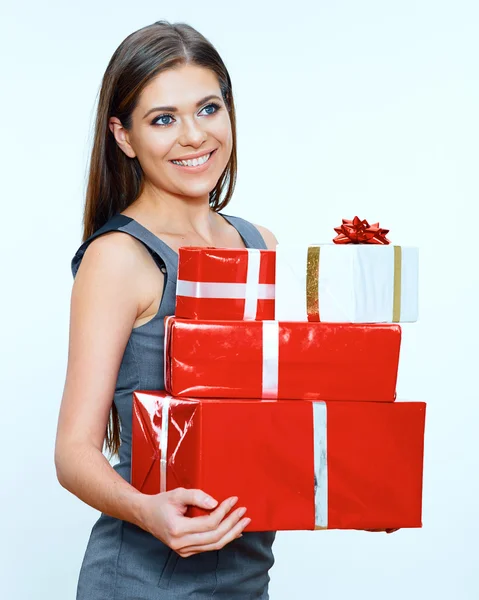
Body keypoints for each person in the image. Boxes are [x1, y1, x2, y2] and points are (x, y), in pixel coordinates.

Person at [54, 20, 278, 600]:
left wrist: (360, 486)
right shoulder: (119, 258)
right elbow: (74, 453)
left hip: (248, 579)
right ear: (124, 136)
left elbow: (280, 420)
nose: (192, 136)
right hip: (141, 582)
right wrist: (149, 512)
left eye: (208, 108)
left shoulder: (263, 247)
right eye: (162, 119)